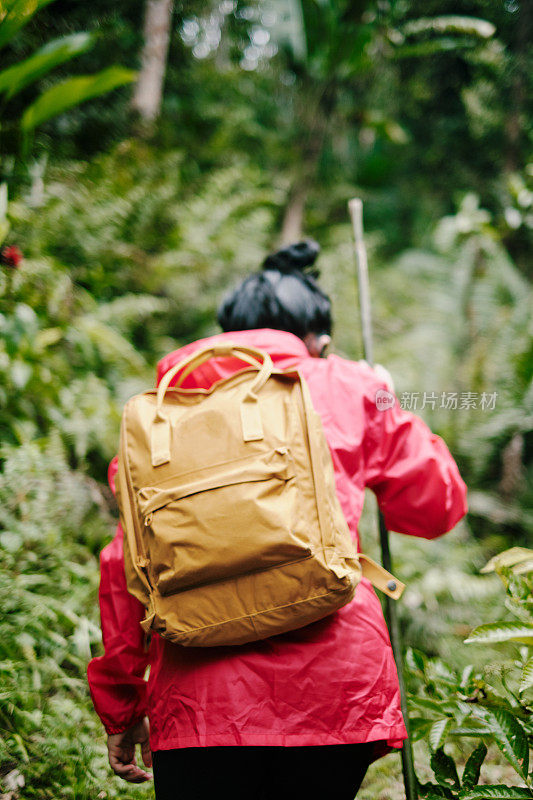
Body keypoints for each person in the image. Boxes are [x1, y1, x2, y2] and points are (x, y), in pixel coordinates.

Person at [87, 240, 468, 799]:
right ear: (315, 339)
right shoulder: (350, 386)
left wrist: (122, 707)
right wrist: (387, 396)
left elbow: (125, 571)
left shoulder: (159, 416)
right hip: (335, 688)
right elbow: (437, 507)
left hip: (200, 703)